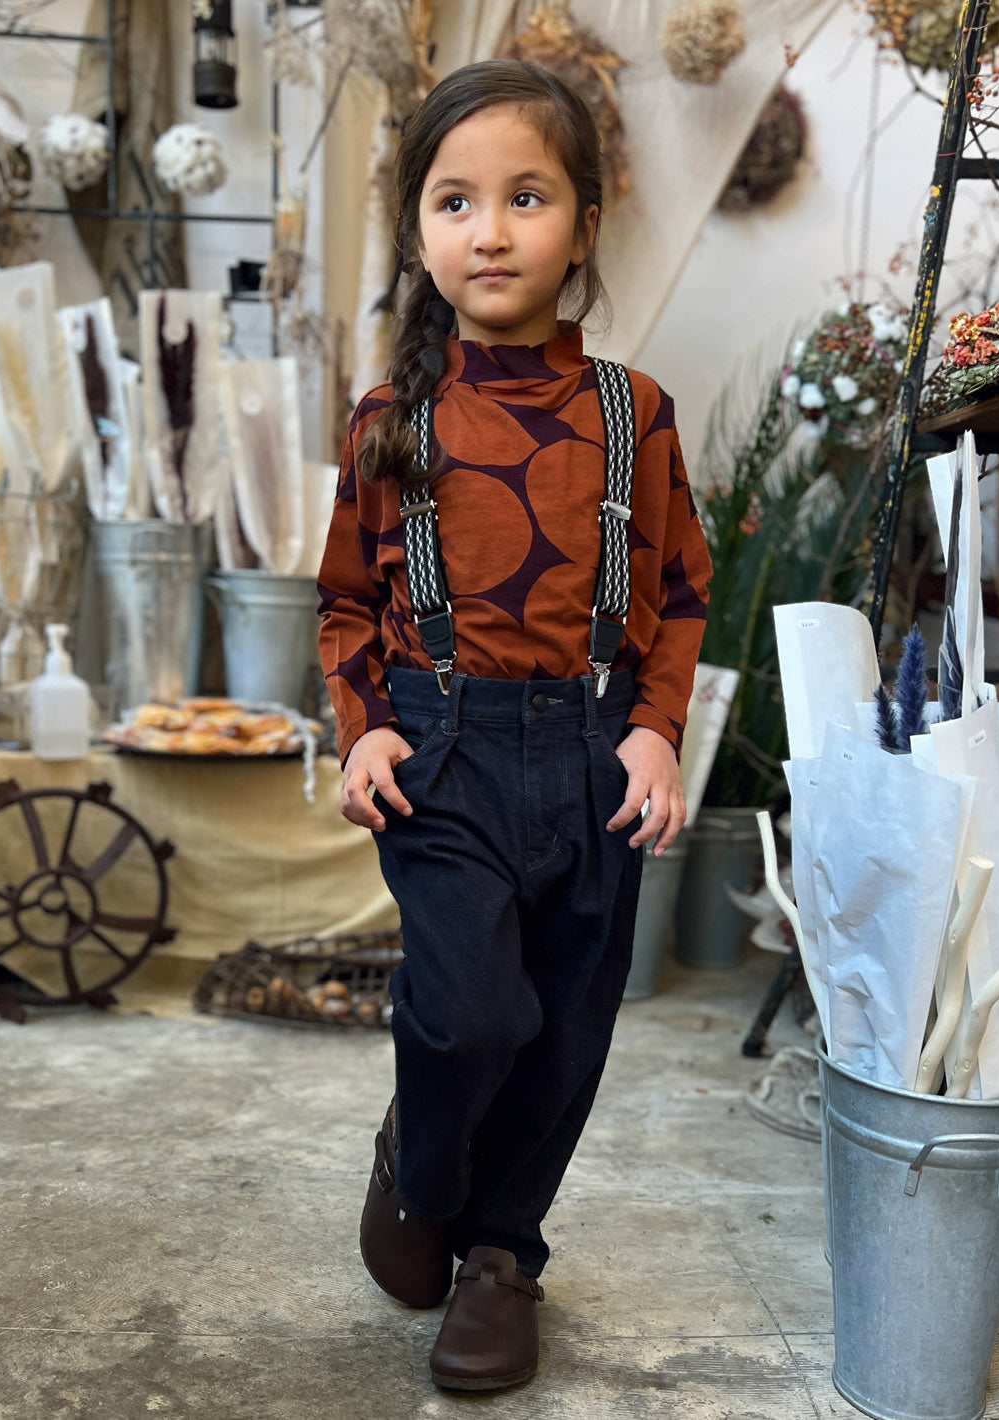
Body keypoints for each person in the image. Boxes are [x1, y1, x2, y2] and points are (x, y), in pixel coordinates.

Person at [317, 58, 711, 1393]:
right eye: (456, 201)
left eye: (525, 197)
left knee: (565, 1027)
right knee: (472, 1012)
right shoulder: (392, 423)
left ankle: (502, 1257)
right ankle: (421, 1173)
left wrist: (654, 730)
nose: (490, 231)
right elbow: (347, 601)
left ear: (584, 225)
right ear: (419, 232)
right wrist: (365, 729)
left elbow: (680, 592)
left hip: (594, 757)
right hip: (443, 755)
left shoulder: (637, 414)